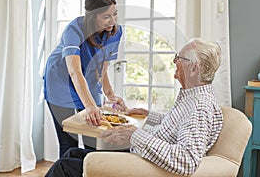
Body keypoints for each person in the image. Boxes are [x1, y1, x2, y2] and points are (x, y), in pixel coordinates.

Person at [44, 37, 224, 177]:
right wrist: (149, 115)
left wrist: (135, 135)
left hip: (144, 166)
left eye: (179, 57)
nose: (174, 61)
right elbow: (178, 125)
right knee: (72, 153)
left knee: (64, 167)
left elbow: (186, 160)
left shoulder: (199, 107)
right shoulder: (193, 98)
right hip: (142, 156)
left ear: (194, 68)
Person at [43, 0, 126, 156]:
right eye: (106, 16)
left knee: (94, 137)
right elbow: (74, 71)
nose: (112, 21)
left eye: (114, 14)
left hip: (87, 80)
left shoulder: (115, 32)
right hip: (60, 81)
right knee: (68, 141)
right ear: (92, 15)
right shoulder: (74, 29)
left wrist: (110, 95)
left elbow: (101, 67)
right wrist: (89, 106)